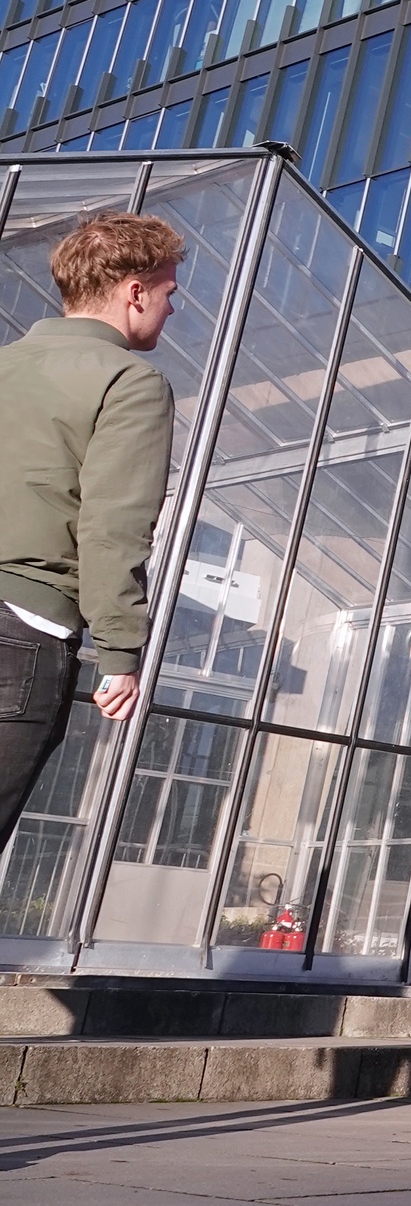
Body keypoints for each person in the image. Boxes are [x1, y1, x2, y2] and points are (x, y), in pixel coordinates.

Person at [0, 213, 184, 848]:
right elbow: (113, 527)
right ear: (135, 292)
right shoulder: (130, 381)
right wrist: (121, 653)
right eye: (168, 293)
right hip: (21, 630)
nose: (169, 309)